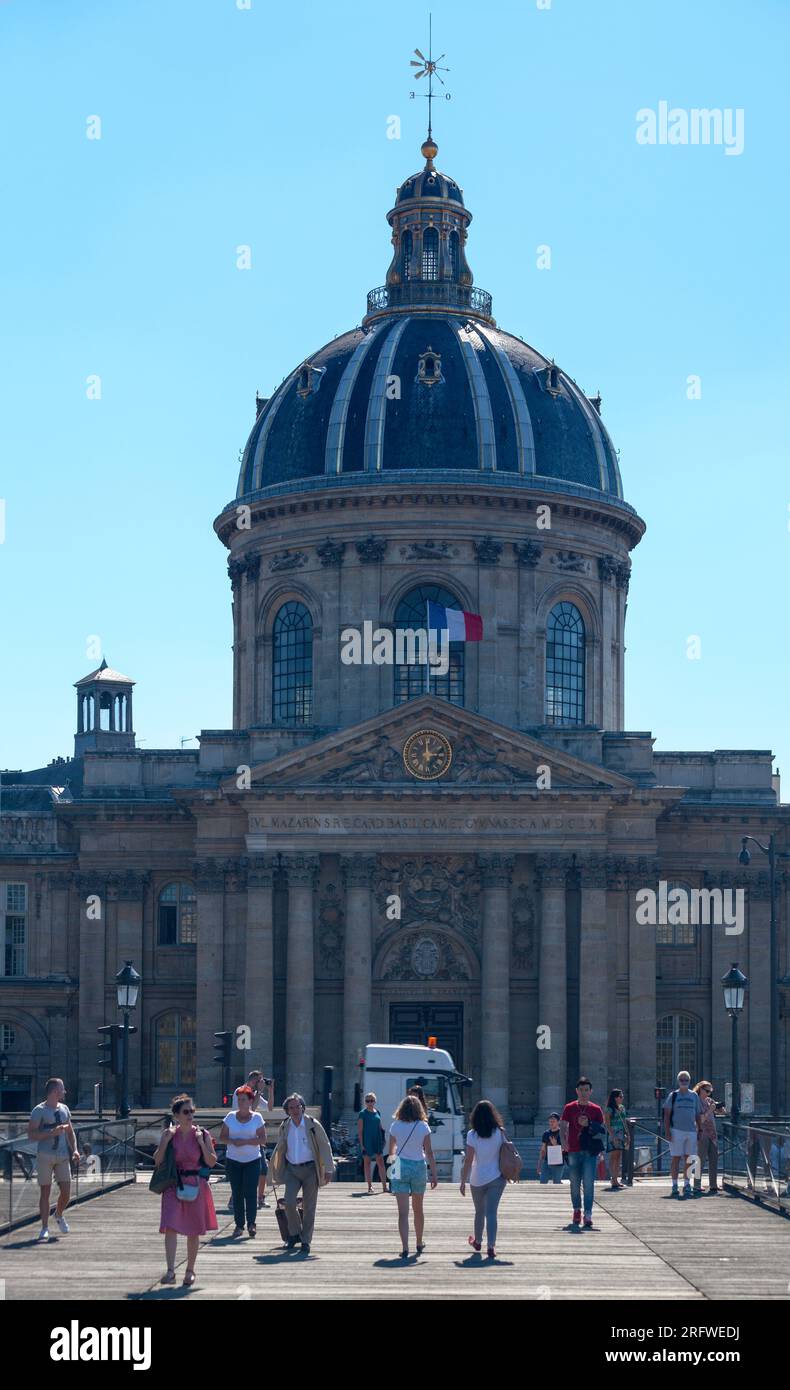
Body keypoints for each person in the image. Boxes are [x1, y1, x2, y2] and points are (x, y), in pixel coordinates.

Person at [154, 1093, 218, 1286]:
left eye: (192, 1111)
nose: (190, 1115)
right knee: (170, 1225)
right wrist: (164, 1141)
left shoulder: (203, 1134)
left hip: (196, 1184)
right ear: (176, 1115)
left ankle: (190, 1270)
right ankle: (170, 1270)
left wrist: (200, 1143)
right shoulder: (170, 1135)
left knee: (193, 1230)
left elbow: (212, 1161)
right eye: (186, 1112)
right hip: (174, 1184)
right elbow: (157, 1161)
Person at [269, 1094, 335, 1255]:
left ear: (302, 1107)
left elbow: (325, 1145)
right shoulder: (285, 1126)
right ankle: (294, 1234)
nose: (295, 1110)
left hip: (310, 1169)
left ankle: (305, 1241)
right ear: (287, 1111)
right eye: (291, 1107)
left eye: (298, 1106)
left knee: (309, 1206)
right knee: (289, 1202)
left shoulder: (312, 1124)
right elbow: (280, 1148)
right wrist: (276, 1169)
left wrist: (329, 1168)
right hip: (292, 1169)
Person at [28, 1077, 80, 1242]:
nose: (64, 1091)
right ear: (54, 1091)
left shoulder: (64, 1109)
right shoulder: (39, 1110)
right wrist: (52, 1133)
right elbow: (32, 1134)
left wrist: (76, 1150)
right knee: (45, 1192)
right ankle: (44, 1227)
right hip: (45, 1155)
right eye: (62, 1089)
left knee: (66, 1192)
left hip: (63, 1156)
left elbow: (70, 1132)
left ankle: (58, 1214)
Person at [388, 1094, 438, 1259]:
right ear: (419, 1109)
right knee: (418, 1210)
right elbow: (429, 1151)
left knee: (402, 1213)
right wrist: (434, 1174)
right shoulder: (423, 1126)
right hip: (418, 1167)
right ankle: (418, 1241)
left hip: (401, 1166)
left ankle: (404, 1247)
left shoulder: (395, 1126)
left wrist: (392, 1171)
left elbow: (391, 1152)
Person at [460, 1099, 507, 1258]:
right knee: (492, 1213)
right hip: (496, 1176)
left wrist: (462, 1181)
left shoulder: (472, 1135)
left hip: (477, 1178)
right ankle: (491, 1246)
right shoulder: (499, 1132)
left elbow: (468, 1159)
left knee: (479, 1211)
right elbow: (505, 1153)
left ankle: (478, 1241)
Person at [220, 1084, 266, 1237]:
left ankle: (251, 1223)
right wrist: (233, 1141)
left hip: (252, 1160)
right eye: (239, 1100)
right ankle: (239, 1225)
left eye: (244, 1100)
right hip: (233, 1160)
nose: (241, 1103)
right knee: (237, 1192)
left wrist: (245, 1142)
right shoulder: (230, 1117)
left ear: (250, 1101)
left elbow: (263, 1139)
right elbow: (222, 1137)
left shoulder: (257, 1118)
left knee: (250, 1192)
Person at [560, 1076, 605, 1230]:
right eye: (581, 1090)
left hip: (590, 1151)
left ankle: (588, 1214)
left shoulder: (596, 1109)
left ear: (590, 1091)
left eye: (587, 1090)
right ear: (577, 1091)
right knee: (574, 1183)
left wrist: (590, 1124)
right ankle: (576, 1210)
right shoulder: (569, 1107)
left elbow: (602, 1130)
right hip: (573, 1149)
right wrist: (563, 1141)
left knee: (588, 1183)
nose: (584, 1093)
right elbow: (563, 1125)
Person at [231, 1070, 274, 1209]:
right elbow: (250, 1111)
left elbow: (270, 1108)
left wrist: (271, 1090)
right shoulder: (241, 1092)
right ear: (252, 1080)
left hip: (253, 1137)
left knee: (263, 1169)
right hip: (240, 1136)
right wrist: (260, 1092)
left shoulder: (255, 1094)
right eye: (258, 1081)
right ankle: (234, 1200)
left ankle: (260, 1198)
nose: (259, 1084)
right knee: (242, 1170)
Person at [663, 1071, 703, 1199]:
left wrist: (700, 1130)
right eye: (682, 1080)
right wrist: (667, 1131)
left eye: (686, 1080)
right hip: (676, 1131)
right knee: (675, 1158)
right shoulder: (673, 1095)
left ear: (689, 1081)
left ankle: (687, 1184)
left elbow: (697, 1114)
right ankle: (674, 1185)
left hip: (691, 1131)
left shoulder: (694, 1096)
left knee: (689, 1159)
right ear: (678, 1081)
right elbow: (667, 1115)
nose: (684, 1082)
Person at [692, 1081, 722, 1195]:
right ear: (700, 1089)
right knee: (700, 1160)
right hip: (702, 1133)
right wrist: (710, 1110)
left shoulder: (710, 1101)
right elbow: (700, 1119)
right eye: (707, 1091)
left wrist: (719, 1108)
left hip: (712, 1134)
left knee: (714, 1159)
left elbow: (721, 1112)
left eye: (711, 1092)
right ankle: (696, 1184)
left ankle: (713, 1184)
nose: (709, 1094)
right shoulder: (696, 1101)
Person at [357, 1092, 387, 1193]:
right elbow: (360, 1131)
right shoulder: (362, 1113)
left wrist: (384, 1138)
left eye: (371, 1100)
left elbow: (380, 1126)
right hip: (367, 1140)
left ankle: (384, 1187)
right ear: (365, 1102)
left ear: (375, 1101)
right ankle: (370, 1186)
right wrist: (362, 1145)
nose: (369, 1103)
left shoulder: (377, 1112)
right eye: (367, 1101)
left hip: (377, 1139)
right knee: (367, 1163)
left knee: (381, 1163)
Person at [604, 1089, 630, 1191]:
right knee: (613, 1156)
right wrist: (612, 1135)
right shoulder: (609, 1109)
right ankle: (613, 1179)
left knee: (618, 1156)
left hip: (621, 1133)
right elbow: (607, 1123)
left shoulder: (622, 1108)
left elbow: (624, 1121)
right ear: (615, 1098)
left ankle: (616, 1179)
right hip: (613, 1133)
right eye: (620, 1096)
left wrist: (628, 1134)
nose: (622, 1098)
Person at [536, 1112, 565, 1184]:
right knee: (542, 1182)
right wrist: (539, 1163)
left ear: (558, 1122)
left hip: (559, 1163)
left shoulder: (563, 1133)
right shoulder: (546, 1133)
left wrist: (556, 1145)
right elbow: (543, 1149)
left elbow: (565, 1149)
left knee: (557, 1183)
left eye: (553, 1121)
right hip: (547, 1162)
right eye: (550, 1121)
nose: (551, 1123)